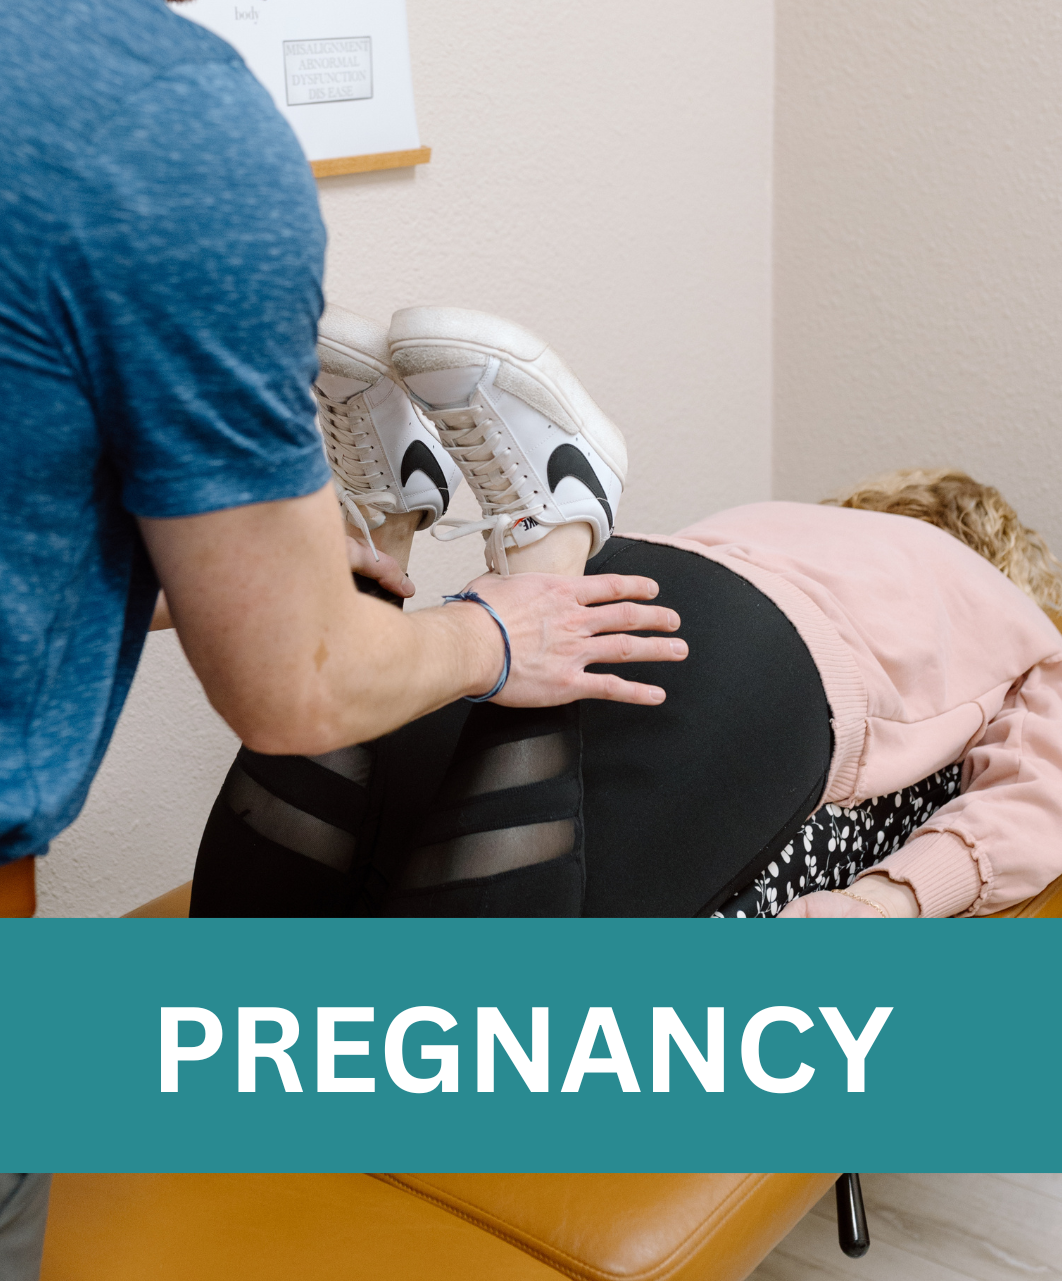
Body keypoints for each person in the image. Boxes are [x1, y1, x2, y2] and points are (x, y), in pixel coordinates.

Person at [0, 3, 686, 1281]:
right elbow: (297, 685)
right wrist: (495, 634)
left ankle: (384, 526)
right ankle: (556, 526)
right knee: (466, 705)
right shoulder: (145, 114)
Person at [190, 305, 1062, 921]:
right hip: (731, 655)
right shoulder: (1009, 616)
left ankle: (382, 532)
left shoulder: (769, 524)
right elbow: (1045, 792)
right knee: (487, 1034)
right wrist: (892, 901)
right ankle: (548, 540)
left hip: (586, 605)